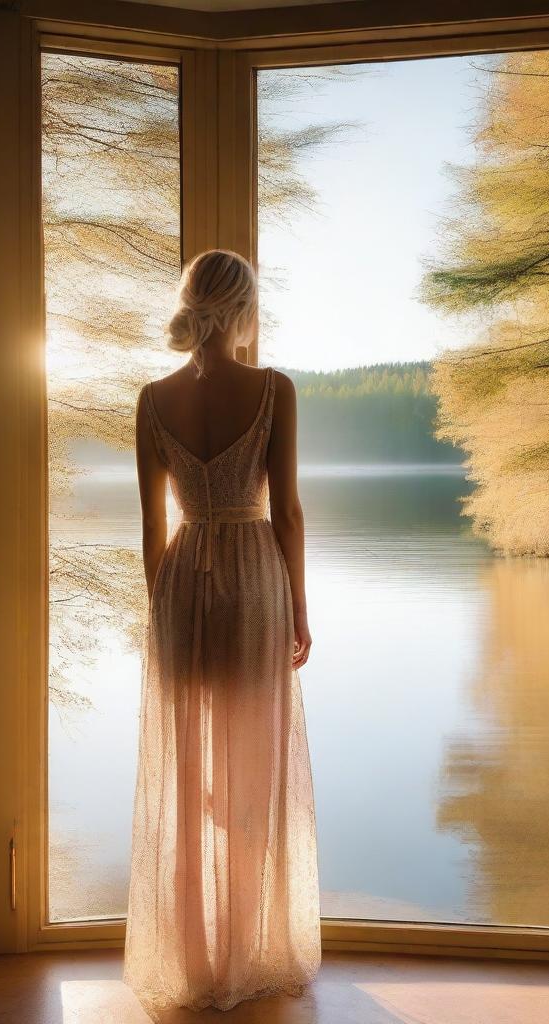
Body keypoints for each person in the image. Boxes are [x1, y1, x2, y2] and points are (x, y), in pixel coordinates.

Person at [123, 249, 321, 1015]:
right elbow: (289, 512)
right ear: (242, 310)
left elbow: (149, 524)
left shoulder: (151, 398)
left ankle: (196, 960)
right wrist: (299, 609)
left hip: (183, 579)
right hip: (254, 579)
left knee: (186, 770)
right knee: (250, 770)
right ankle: (249, 950)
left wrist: (161, 609)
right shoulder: (273, 389)